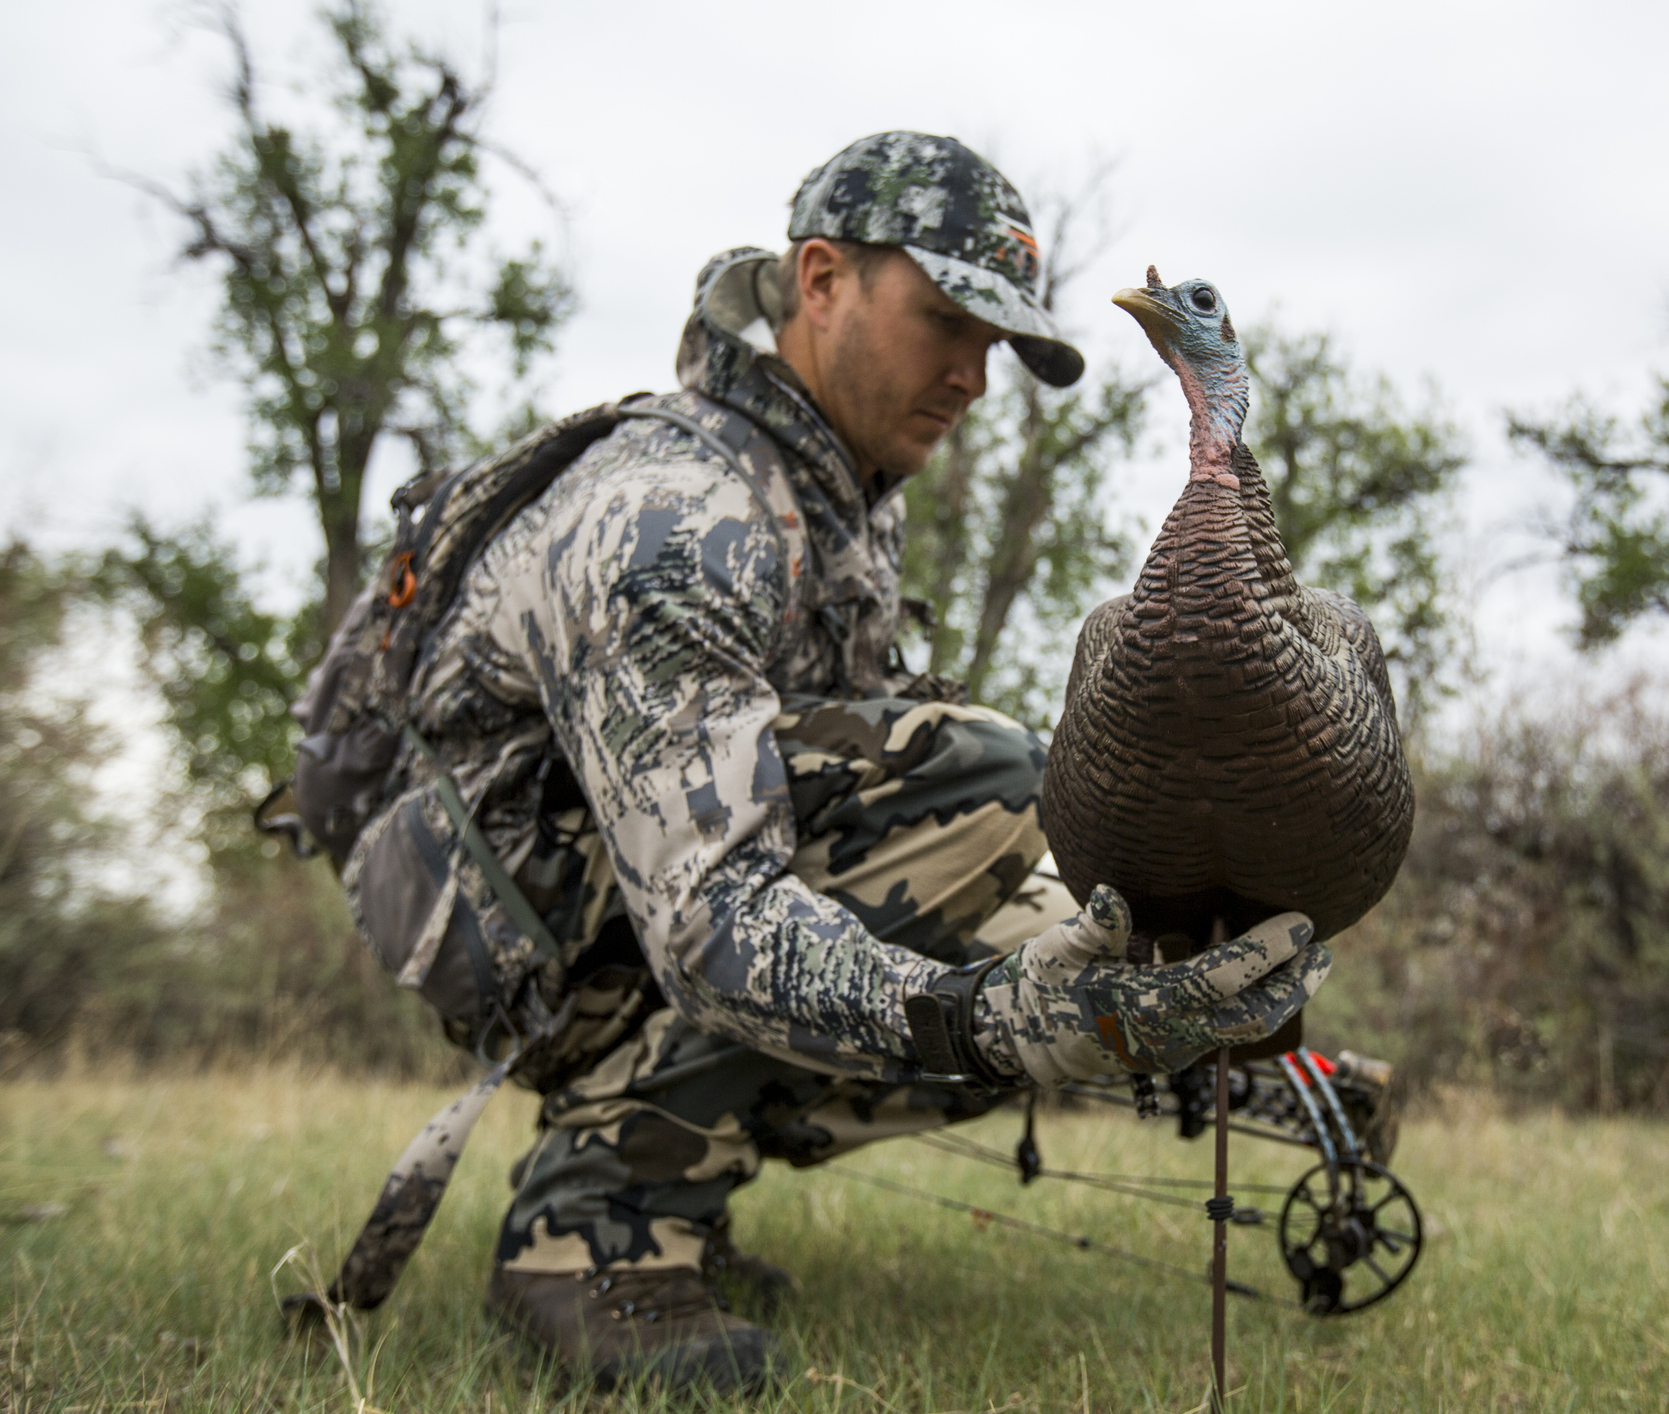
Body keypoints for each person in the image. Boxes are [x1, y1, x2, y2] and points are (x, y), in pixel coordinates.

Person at [339, 132, 1329, 1396]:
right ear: (820, 280)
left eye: (997, 344)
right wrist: (989, 1016)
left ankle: (675, 1172)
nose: (974, 376)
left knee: (1051, 912)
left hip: (612, 898)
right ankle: (593, 1230)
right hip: (518, 920)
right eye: (948, 321)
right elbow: (713, 918)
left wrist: (1120, 996)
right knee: (990, 792)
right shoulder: (680, 516)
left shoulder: (840, 492)